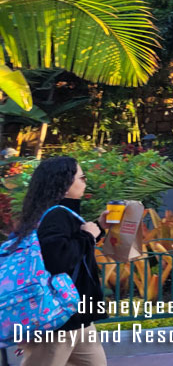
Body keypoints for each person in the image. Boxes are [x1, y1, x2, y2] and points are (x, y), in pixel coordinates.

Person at [14, 156, 109, 366]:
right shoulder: (56, 215)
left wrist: (98, 228)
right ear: (64, 183)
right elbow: (57, 258)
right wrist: (89, 236)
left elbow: (74, 246)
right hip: (58, 317)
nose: (85, 182)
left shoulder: (61, 212)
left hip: (74, 314)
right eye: (81, 177)